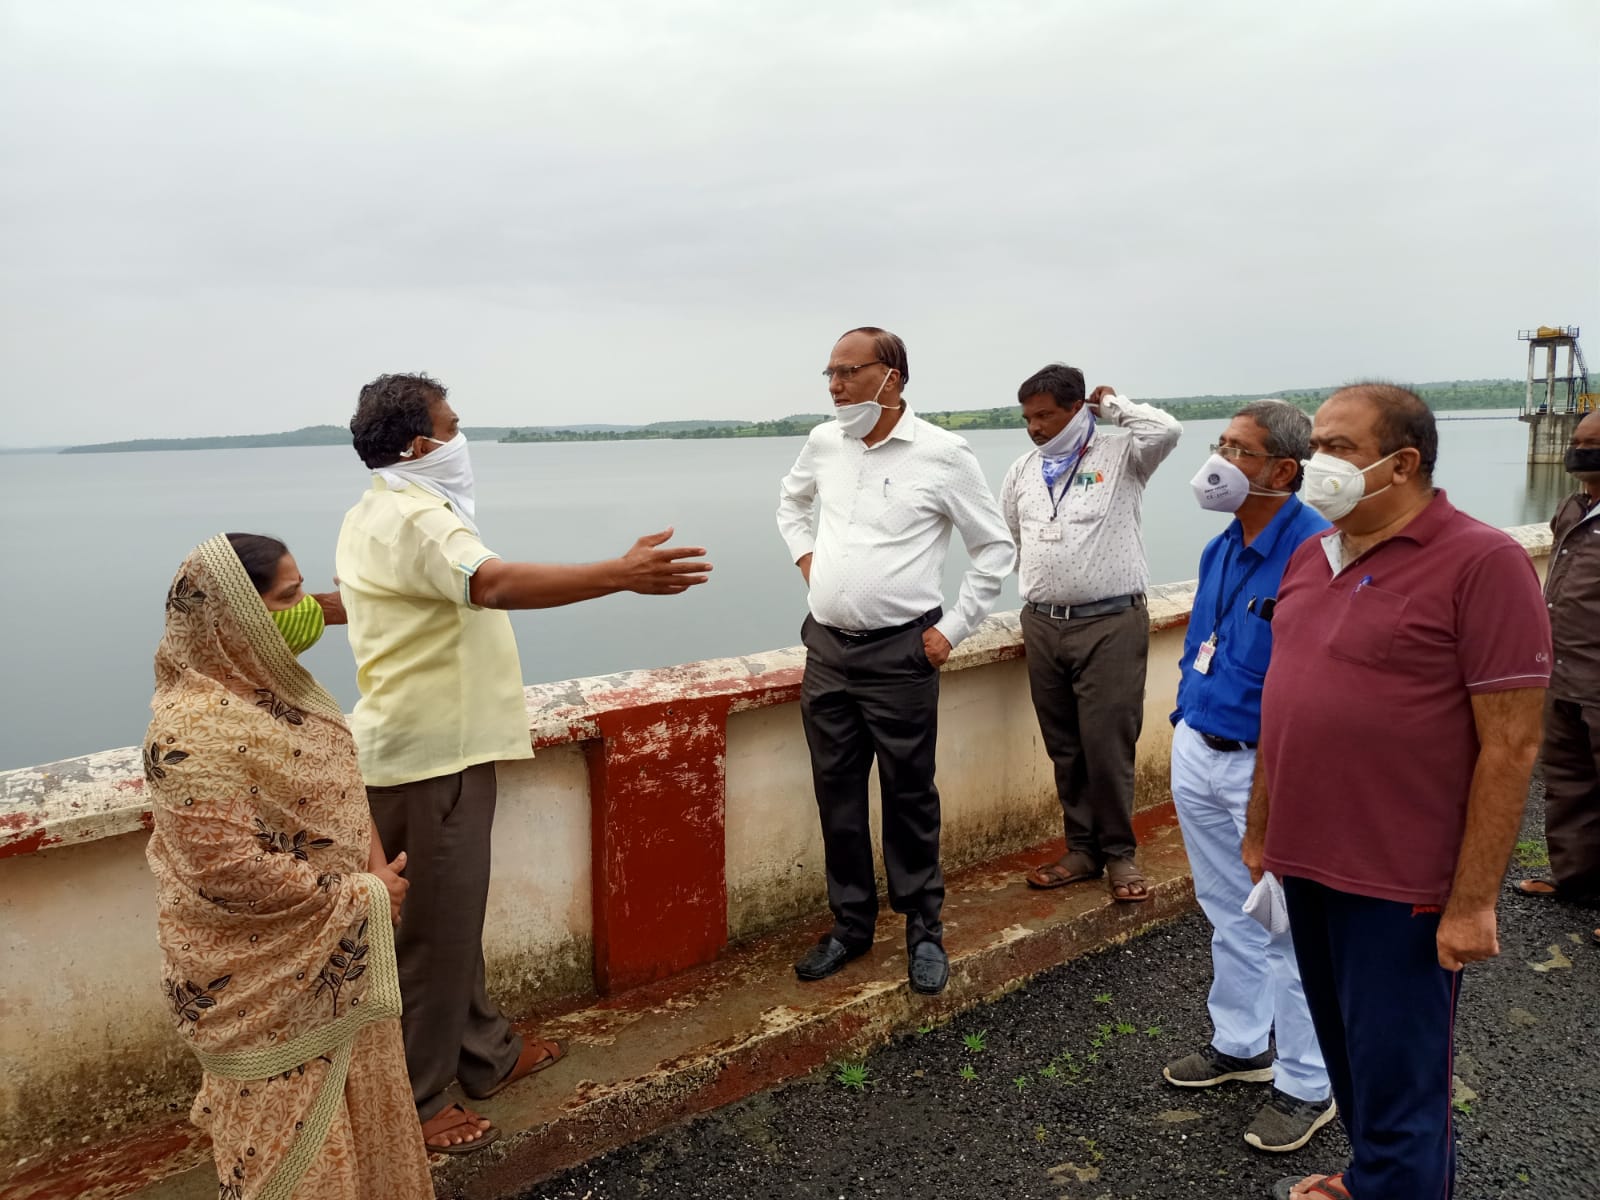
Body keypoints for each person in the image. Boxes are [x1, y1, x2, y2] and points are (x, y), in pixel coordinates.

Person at [337, 373, 713, 1150]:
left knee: (452, 918)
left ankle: (484, 1052)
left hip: (436, 745)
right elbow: (494, 583)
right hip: (431, 755)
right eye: (453, 425)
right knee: (432, 935)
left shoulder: (376, 511)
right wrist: (621, 575)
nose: (462, 438)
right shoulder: (418, 517)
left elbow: (368, 597)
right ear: (420, 445)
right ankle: (419, 1098)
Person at [1244, 385, 1550, 1200]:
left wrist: (1473, 899)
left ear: (1402, 463)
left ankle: (1395, 1179)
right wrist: (1261, 830)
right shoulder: (1312, 556)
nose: (1316, 463)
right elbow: (1287, 698)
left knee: (1404, 1080)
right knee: (1353, 1061)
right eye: (1314, 445)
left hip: (1402, 883)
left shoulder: (1483, 563)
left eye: (1338, 447)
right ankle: (1369, 1177)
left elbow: (1512, 743)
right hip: (1307, 865)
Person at [144, 533, 434, 1197]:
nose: (306, 608)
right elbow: (227, 869)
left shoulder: (278, 694)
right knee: (287, 1155)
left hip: (336, 957)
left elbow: (340, 793)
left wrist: (375, 878)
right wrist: (364, 891)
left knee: (362, 1121)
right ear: (235, 617)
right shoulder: (190, 731)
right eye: (290, 596)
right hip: (264, 982)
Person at [777, 326, 1014, 996]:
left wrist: (955, 628)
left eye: (847, 372)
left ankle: (924, 929)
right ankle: (851, 926)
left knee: (910, 796)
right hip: (826, 649)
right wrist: (807, 561)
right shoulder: (825, 443)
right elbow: (790, 505)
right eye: (828, 374)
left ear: (892, 377)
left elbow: (993, 548)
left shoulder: (944, 454)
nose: (834, 386)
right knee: (838, 795)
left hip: (901, 650)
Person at [1161, 401, 1335, 1154]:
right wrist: (1184, 722)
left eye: (1239, 449)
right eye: (1219, 444)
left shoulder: (1317, 553)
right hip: (1200, 746)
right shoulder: (1221, 547)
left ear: (1282, 470)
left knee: (1293, 928)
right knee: (1227, 908)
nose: (1220, 461)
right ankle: (1241, 1045)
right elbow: (1207, 640)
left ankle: (1308, 1083)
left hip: (1270, 767)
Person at [1001, 364, 1181, 902]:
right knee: (1065, 747)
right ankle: (1081, 850)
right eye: (1028, 417)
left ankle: (1120, 856)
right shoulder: (1024, 470)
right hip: (1043, 624)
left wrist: (1115, 406)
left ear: (1077, 408)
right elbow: (1014, 533)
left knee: (1107, 746)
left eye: (1046, 415)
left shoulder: (1121, 455)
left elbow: (1166, 431)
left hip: (1110, 623)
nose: (1034, 427)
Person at [1515, 408, 1600, 947]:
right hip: (1565, 672)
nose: (1580, 450)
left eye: (1592, 442)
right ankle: (1578, 880)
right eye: (1577, 440)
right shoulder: (1574, 505)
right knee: (1568, 783)